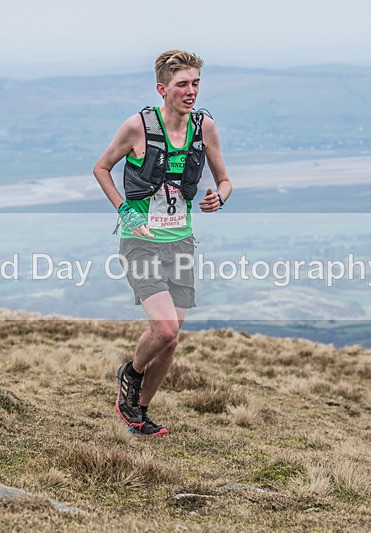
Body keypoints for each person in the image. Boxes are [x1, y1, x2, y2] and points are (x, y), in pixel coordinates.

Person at [93, 50, 232, 436]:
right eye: (182, 85)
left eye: (196, 84)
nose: (191, 92)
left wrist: (219, 196)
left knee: (170, 343)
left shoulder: (205, 128)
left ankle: (140, 413)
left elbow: (225, 180)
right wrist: (125, 211)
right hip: (141, 243)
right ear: (162, 88)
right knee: (166, 329)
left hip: (182, 243)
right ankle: (131, 374)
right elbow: (101, 168)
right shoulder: (137, 127)